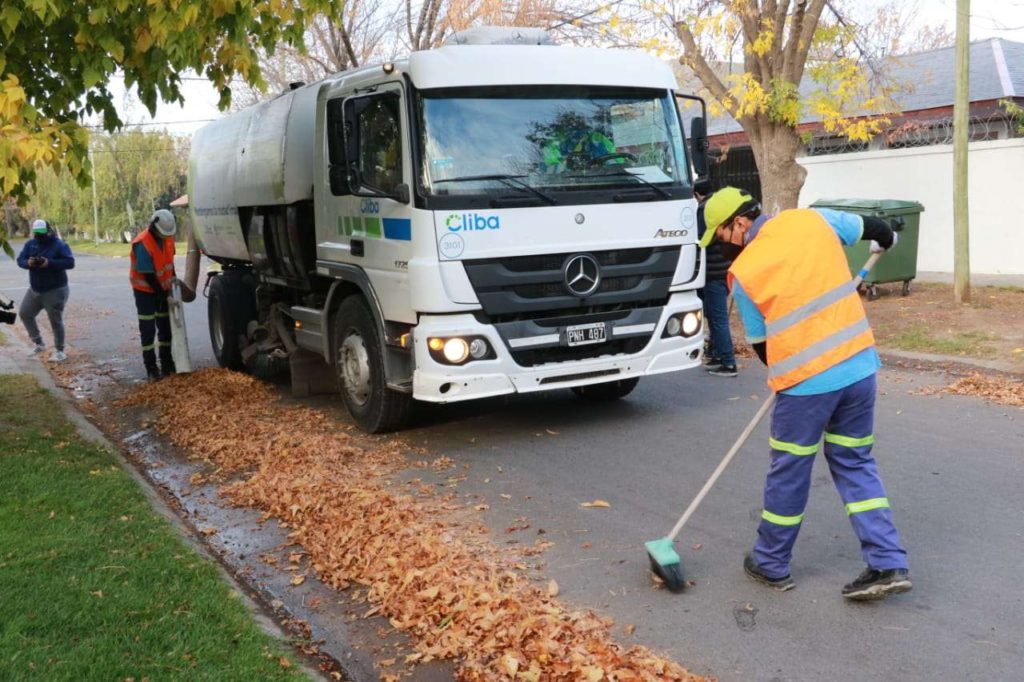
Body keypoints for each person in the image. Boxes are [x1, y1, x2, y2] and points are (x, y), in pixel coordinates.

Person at [700, 186, 910, 601]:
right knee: (854, 462)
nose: (722, 248)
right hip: (859, 368)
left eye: (722, 237)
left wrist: (793, 369)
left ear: (740, 223)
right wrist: (886, 239)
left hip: (806, 387)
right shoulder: (810, 219)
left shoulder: (745, 273)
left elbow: (763, 349)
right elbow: (876, 227)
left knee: (790, 471)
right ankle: (887, 561)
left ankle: (771, 563)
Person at [694, 178, 738, 377]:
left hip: (713, 273)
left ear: (696, 195)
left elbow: (700, 238)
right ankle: (716, 354)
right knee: (713, 316)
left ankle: (728, 363)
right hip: (724, 271)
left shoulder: (704, 211)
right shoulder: (720, 209)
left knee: (717, 319)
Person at [16, 219, 75, 362]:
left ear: (49, 230)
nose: (39, 236)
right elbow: (20, 260)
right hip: (35, 289)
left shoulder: (59, 245)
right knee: (25, 313)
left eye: (42, 233)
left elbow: (70, 262)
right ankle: (38, 343)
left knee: (55, 320)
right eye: (37, 233)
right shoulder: (30, 244)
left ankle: (60, 351)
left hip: (55, 289)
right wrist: (28, 263)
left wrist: (49, 263)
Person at [130, 209, 178, 381]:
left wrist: (174, 283)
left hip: (163, 290)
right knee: (148, 329)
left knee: (165, 327)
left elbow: (169, 264)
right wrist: (163, 295)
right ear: (154, 227)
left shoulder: (168, 239)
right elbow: (148, 275)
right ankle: (151, 367)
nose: (166, 236)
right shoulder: (142, 243)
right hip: (145, 292)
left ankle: (167, 362)